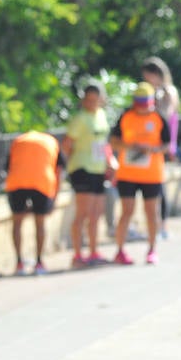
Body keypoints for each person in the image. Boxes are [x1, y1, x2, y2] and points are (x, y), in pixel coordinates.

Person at [108, 83, 170, 264]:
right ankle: (119, 250)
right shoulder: (126, 116)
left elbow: (167, 145)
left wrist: (152, 149)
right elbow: (113, 141)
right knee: (126, 211)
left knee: (151, 212)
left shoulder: (159, 118)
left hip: (152, 175)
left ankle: (152, 249)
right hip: (127, 174)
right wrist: (130, 147)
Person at [60, 84, 111, 266]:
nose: (91, 103)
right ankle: (77, 254)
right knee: (83, 213)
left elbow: (104, 143)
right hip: (82, 168)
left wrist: (110, 163)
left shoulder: (102, 116)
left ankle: (93, 251)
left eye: (94, 100)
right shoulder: (80, 119)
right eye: (87, 99)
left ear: (101, 100)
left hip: (98, 168)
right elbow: (67, 144)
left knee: (96, 213)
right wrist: (62, 169)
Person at [2, 130, 61, 275]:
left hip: (17, 182)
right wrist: (55, 197)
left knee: (17, 222)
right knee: (40, 223)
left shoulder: (19, 140)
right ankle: (39, 263)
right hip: (42, 182)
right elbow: (59, 170)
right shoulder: (51, 142)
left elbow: (7, 167)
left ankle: (19, 263)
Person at [140, 57, 179, 239]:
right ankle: (158, 223)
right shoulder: (159, 91)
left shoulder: (167, 92)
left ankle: (162, 224)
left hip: (161, 142)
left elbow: (166, 116)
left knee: (159, 185)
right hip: (154, 141)